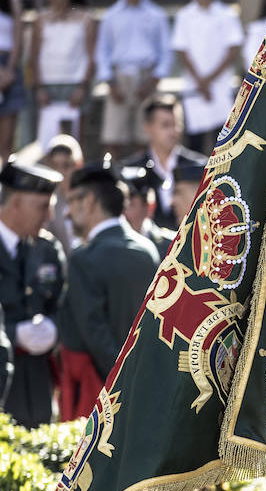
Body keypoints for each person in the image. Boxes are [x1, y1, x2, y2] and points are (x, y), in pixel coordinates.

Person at [57, 163, 159, 421]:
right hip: (145, 388)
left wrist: (120, 381)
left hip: (98, 395)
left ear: (90, 201)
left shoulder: (83, 257)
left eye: (72, 201)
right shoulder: (148, 251)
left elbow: (94, 331)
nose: (67, 213)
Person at [0, 162, 67, 429]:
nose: (49, 215)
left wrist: (55, 328)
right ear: (15, 203)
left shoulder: (46, 248)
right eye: (42, 206)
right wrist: (14, 333)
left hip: (38, 390)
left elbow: (64, 303)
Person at [95, 0, 171, 160]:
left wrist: (153, 81)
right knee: (112, 138)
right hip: (119, 78)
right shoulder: (111, 16)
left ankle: (143, 180)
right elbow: (102, 51)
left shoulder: (156, 15)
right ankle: (112, 181)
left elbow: (166, 52)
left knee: (146, 136)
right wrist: (111, 83)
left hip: (147, 79)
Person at [172, 0, 244, 155]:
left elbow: (232, 51)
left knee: (223, 144)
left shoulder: (227, 14)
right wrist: (201, 82)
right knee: (193, 145)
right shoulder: (184, 15)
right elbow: (181, 51)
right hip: (194, 88)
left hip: (219, 89)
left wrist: (207, 81)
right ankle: (194, 182)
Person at [122, 94, 206, 231]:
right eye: (165, 125)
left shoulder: (199, 166)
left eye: (176, 124)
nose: (173, 131)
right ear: (148, 128)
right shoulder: (131, 169)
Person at [29, 0, 96, 149]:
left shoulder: (85, 19)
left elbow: (91, 56)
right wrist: (39, 88)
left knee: (76, 142)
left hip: (75, 86)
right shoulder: (40, 20)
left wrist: (82, 87)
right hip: (48, 87)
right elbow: (34, 57)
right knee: (47, 143)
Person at [41, 133, 83, 255]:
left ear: (78, 165)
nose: (60, 172)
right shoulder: (47, 202)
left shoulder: (89, 198)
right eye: (55, 166)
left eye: (66, 165)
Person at [121, 164, 174, 257]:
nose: (123, 214)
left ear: (149, 207)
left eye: (130, 205)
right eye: (120, 206)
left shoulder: (171, 246)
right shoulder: (109, 245)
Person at [0, 0, 26, 164]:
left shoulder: (13, 3)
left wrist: (8, 70)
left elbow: (18, 39)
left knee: (7, 140)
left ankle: (6, 184)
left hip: (10, 69)